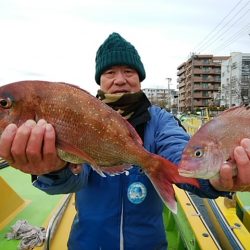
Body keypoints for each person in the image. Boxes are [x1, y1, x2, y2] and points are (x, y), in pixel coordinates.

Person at [0, 32, 250, 250]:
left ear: (140, 78)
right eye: (110, 72)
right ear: (100, 80)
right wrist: (54, 170)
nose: (120, 79)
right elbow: (75, 179)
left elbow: (181, 154)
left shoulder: (160, 120)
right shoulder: (83, 119)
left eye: (129, 71)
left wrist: (216, 178)